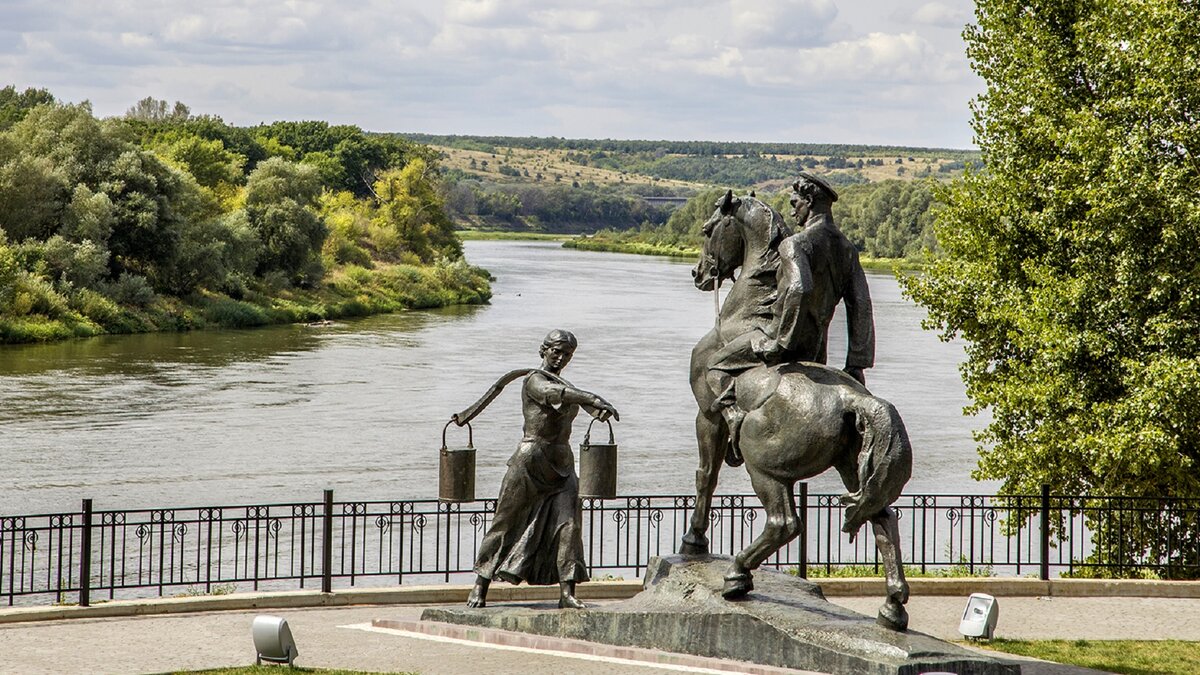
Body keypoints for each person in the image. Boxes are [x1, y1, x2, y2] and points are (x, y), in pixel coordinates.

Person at [707, 172, 874, 465]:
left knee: (715, 365)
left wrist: (779, 342)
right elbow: (860, 305)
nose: (792, 209)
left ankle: (735, 425)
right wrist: (857, 364)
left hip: (786, 341)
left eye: (795, 202)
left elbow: (799, 287)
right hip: (817, 350)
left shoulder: (795, 245)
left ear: (809, 202)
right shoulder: (847, 250)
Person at [467, 329, 619, 610]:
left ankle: (567, 592)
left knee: (569, 526)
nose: (561, 358)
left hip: (561, 463)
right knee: (506, 523)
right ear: (543, 350)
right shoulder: (533, 381)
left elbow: (579, 401)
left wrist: (599, 411)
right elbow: (555, 394)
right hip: (530, 460)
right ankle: (480, 586)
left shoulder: (566, 384)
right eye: (556, 351)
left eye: (567, 354)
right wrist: (592, 397)